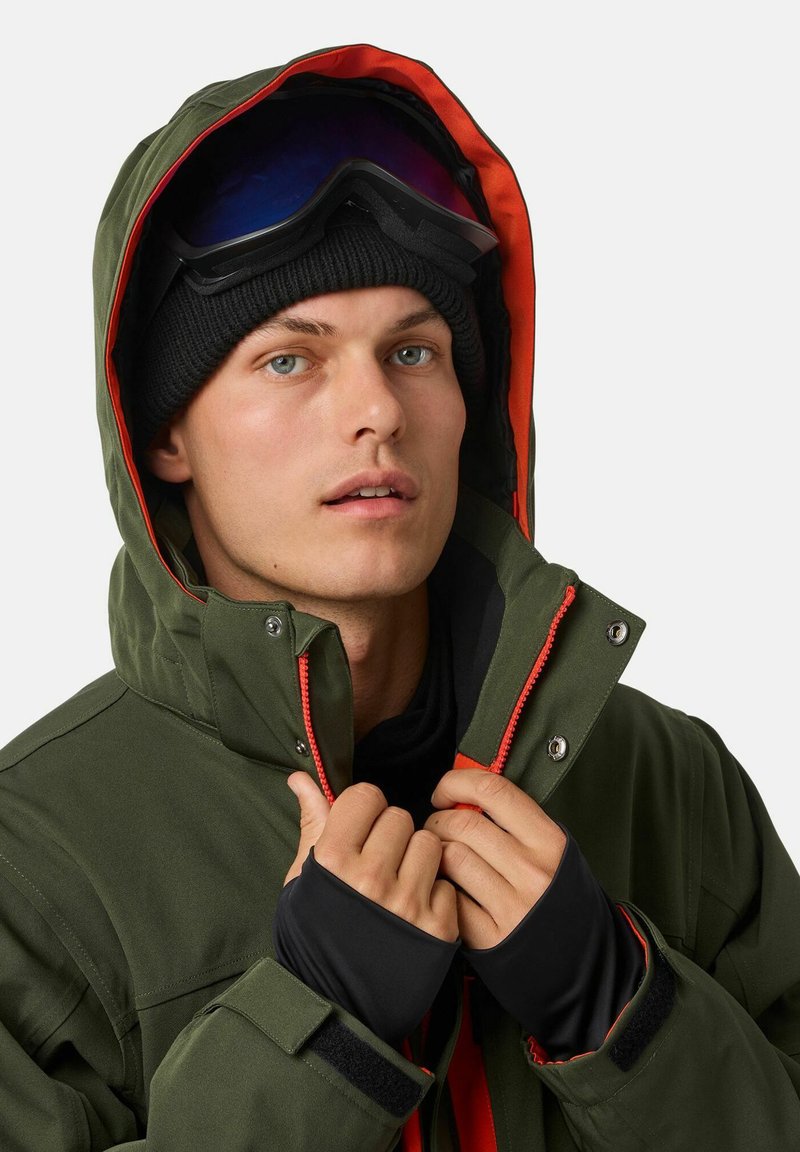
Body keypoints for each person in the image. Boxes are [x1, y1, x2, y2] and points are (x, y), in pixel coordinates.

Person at [1, 41, 798, 1151]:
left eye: (414, 351)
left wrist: (623, 1009)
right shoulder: (31, 863)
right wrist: (312, 1032)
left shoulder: (671, 785)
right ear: (164, 432)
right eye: (290, 359)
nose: (375, 409)